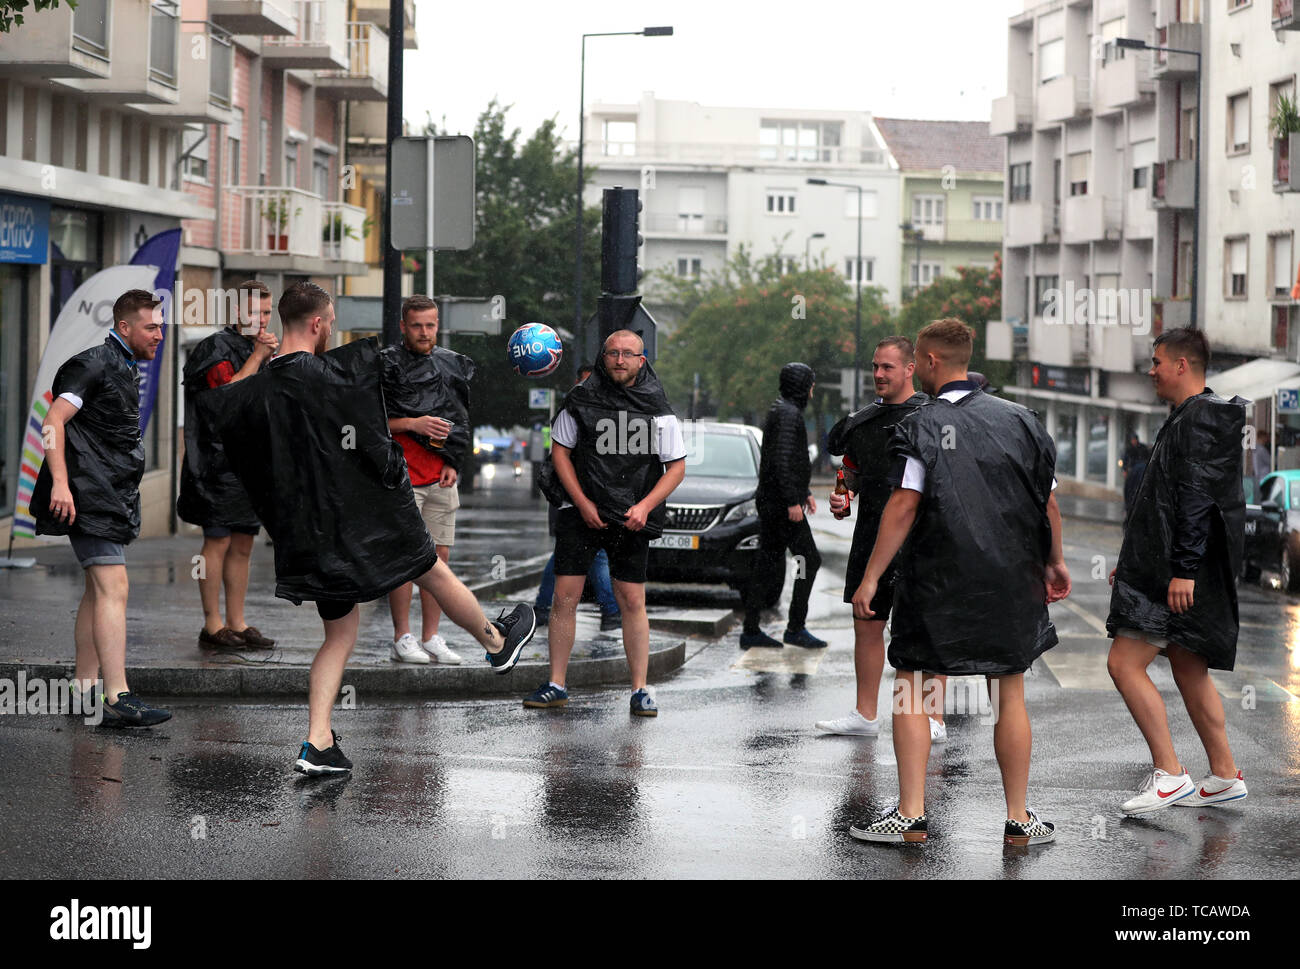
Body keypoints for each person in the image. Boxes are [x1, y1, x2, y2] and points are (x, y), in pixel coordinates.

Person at [208, 282, 535, 774]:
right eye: (331, 319)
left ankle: (318, 743)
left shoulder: (254, 391)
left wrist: (256, 360)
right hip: (366, 514)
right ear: (318, 323)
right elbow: (376, 440)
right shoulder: (339, 374)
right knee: (432, 570)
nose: (334, 327)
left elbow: (228, 420)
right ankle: (496, 642)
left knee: (338, 636)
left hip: (307, 530)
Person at [847, 318, 1071, 846]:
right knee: (1009, 693)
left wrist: (872, 576)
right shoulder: (1023, 420)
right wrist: (1054, 562)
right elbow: (1049, 502)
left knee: (914, 691)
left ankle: (910, 814)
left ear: (927, 362)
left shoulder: (921, 425)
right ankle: (1019, 818)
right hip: (1011, 582)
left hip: (936, 580)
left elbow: (904, 506)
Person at [1106, 328, 1249, 814]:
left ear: (1182, 365)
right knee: (1189, 669)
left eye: (1157, 362)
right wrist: (1133, 560)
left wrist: (1183, 569)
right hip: (1169, 566)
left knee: (1124, 665)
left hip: (1179, 573)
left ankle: (1170, 773)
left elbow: (1195, 498)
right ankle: (1225, 774)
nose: (1151, 370)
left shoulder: (1201, 418)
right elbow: (1166, 501)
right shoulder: (1193, 416)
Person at [525, 329, 686, 716]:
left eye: (628, 354)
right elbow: (560, 453)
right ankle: (556, 683)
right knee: (565, 597)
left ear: (641, 361)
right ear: (603, 356)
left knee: (632, 600)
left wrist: (645, 506)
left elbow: (676, 467)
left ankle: (641, 689)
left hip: (632, 516)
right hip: (581, 513)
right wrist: (581, 502)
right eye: (612, 352)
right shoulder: (580, 399)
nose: (619, 359)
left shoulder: (656, 406)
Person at [30, 289, 172, 726]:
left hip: (107, 496)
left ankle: (84, 688)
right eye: (151, 327)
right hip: (88, 496)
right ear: (124, 327)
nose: (159, 334)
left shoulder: (123, 364)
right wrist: (60, 484)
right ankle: (117, 696)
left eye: (161, 325)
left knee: (97, 593)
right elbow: (52, 422)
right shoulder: (92, 362)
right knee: (115, 589)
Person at [819, 337, 945, 741]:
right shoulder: (862, 421)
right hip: (871, 534)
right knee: (866, 620)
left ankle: (934, 718)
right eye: (874, 366)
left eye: (887, 367)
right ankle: (865, 713)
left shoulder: (933, 417)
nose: (878, 374)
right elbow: (851, 473)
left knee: (923, 627)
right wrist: (843, 496)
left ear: (911, 369)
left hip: (923, 538)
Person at [177, 279, 278, 652]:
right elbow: (226, 398)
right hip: (215, 463)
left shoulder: (262, 348)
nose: (264, 320)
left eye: (268, 313)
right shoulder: (214, 347)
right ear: (237, 311)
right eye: (256, 312)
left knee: (243, 543)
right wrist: (257, 357)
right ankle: (211, 623)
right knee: (216, 541)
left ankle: (237, 621)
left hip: (249, 464)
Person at [380, 294, 476, 665]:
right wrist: (411, 423)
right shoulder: (385, 365)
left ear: (439, 325)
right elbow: (368, 422)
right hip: (401, 476)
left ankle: (431, 636)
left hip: (439, 478)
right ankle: (402, 637)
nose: (424, 332)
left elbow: (460, 419)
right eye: (416, 325)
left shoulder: (451, 365)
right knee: (406, 559)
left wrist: (454, 461)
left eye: (430, 325)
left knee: (440, 559)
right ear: (403, 326)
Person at [739, 362, 825, 649]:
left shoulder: (783, 409)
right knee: (809, 559)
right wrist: (793, 500)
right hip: (779, 504)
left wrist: (805, 492)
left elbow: (787, 459)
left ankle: (751, 629)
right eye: (811, 383)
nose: (813, 388)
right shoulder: (789, 414)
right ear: (803, 385)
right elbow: (783, 462)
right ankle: (795, 627)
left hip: (773, 501)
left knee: (768, 563)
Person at [534, 364, 621, 633]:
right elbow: (562, 457)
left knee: (572, 555)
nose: (589, 389)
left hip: (585, 499)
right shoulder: (572, 410)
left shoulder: (601, 411)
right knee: (594, 557)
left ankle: (542, 608)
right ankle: (611, 611)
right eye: (585, 383)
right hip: (572, 500)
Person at [1120, 431, 1151, 518]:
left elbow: (1147, 457)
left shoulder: (1142, 448)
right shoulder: (1129, 450)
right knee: (1129, 488)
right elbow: (1125, 460)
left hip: (1141, 471)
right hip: (1133, 471)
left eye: (1134, 439)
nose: (1133, 441)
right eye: (1132, 440)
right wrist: (1125, 470)